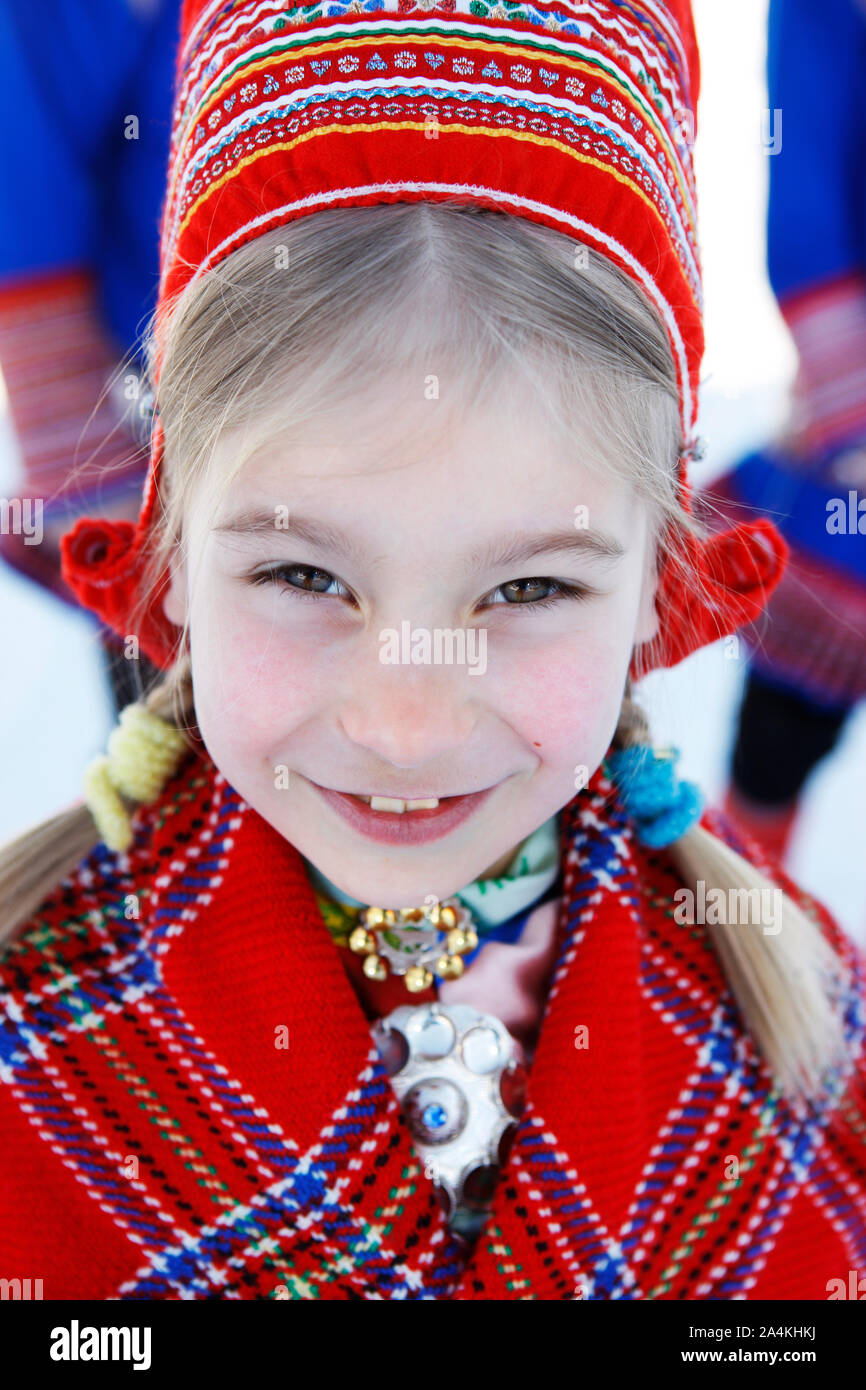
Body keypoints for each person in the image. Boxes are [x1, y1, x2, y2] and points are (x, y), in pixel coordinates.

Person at [0, 0, 863, 1300]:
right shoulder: (33, 1032)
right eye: (303, 572)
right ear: (166, 556)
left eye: (524, 585)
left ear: (654, 586)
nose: (405, 723)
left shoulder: (803, 1040)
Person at [705, 0, 866, 862]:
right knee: (777, 746)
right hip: (853, 455)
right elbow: (800, 168)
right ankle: (741, 962)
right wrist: (851, 405)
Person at [0, 0, 183, 712]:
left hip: (483, 406)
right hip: (169, 447)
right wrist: (78, 450)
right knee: (188, 768)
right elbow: (24, 138)